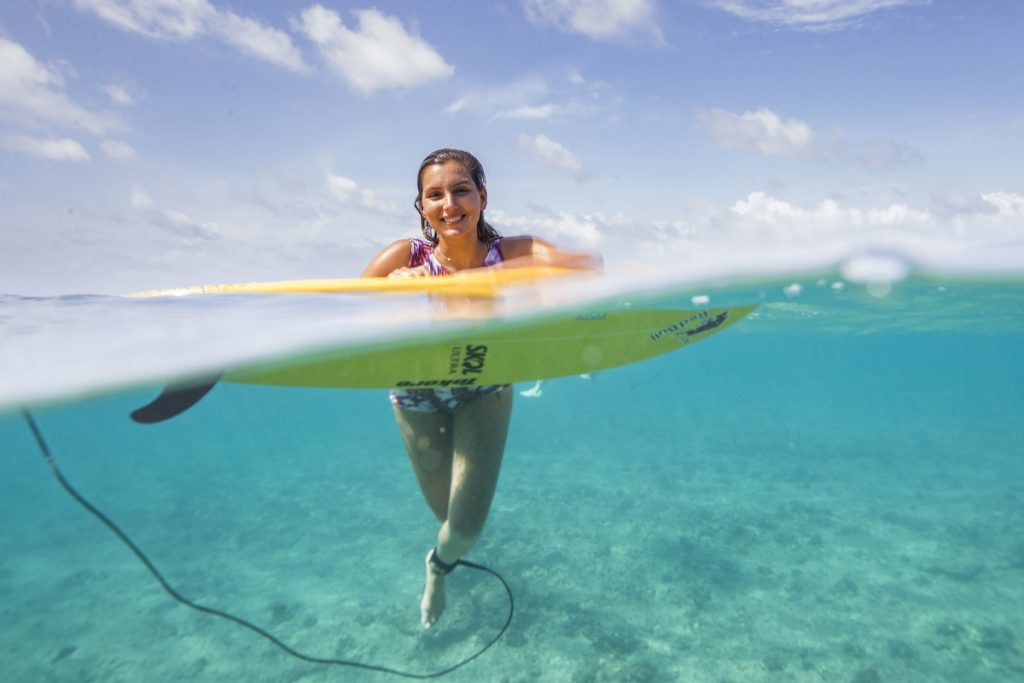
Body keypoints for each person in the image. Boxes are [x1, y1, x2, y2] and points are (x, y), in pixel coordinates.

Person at [361, 148, 598, 627]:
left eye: (461, 190)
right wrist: (392, 292)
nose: (449, 203)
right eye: (435, 195)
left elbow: (584, 266)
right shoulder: (405, 256)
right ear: (422, 207)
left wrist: (484, 278)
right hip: (415, 392)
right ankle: (443, 557)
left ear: (482, 197)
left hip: (483, 386)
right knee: (444, 513)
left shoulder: (513, 251)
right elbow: (344, 312)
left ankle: (438, 569)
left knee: (465, 528)